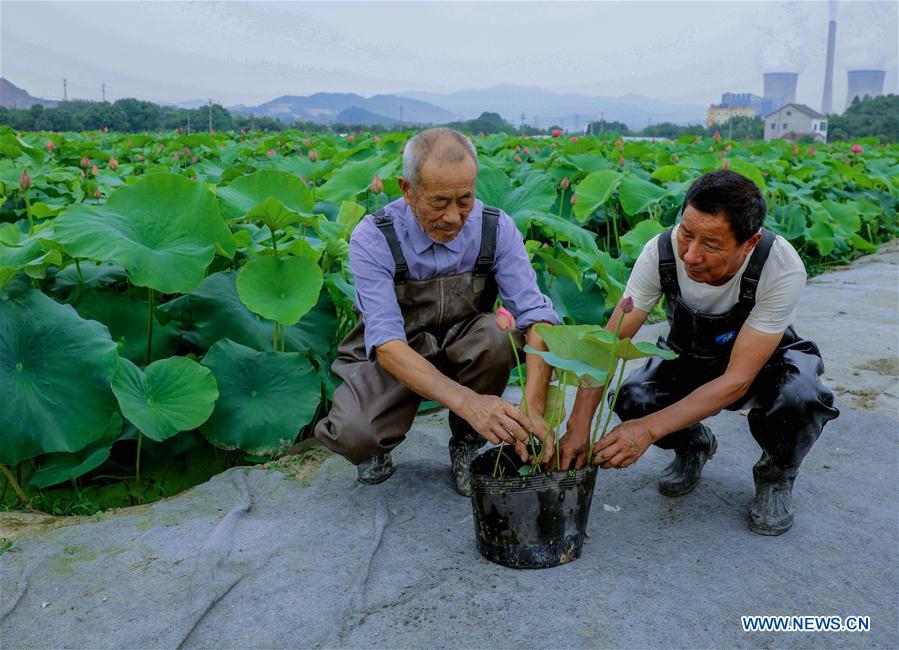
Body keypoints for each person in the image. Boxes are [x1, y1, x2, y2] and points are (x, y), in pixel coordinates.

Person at [557, 170, 839, 535]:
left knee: (799, 401)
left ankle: (776, 475)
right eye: (687, 234)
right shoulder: (660, 252)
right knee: (632, 398)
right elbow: (608, 345)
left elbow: (738, 381)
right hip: (687, 353)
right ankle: (693, 444)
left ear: (749, 242)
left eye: (711, 244)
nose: (690, 255)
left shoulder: (780, 267)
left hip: (761, 364)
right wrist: (578, 425)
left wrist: (646, 431)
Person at [315, 128, 560, 495]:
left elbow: (537, 316)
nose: (453, 217)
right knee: (356, 433)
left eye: (465, 200)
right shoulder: (373, 237)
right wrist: (468, 402)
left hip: (467, 344)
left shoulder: (496, 228)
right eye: (439, 201)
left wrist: (535, 408)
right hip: (396, 357)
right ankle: (379, 444)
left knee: (498, 334)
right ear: (407, 190)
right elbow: (386, 344)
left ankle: (467, 442)